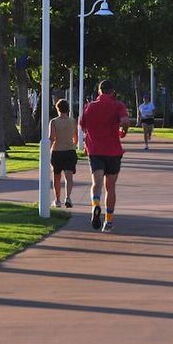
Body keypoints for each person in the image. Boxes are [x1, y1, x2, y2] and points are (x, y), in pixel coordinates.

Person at [79, 80, 130, 232]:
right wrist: (123, 132)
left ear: (99, 91)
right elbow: (125, 121)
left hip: (95, 150)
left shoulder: (90, 106)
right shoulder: (118, 105)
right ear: (112, 91)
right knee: (110, 187)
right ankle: (108, 221)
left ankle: (95, 205)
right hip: (113, 151)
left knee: (96, 183)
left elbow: (82, 125)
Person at [49, 99, 78, 208]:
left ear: (58, 109)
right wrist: (73, 145)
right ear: (68, 109)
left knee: (57, 176)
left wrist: (48, 151)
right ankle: (68, 197)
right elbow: (76, 138)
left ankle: (57, 200)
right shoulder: (73, 121)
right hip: (70, 151)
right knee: (69, 176)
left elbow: (51, 138)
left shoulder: (54, 122)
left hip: (57, 151)